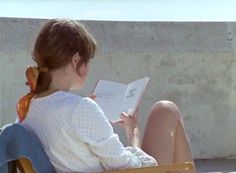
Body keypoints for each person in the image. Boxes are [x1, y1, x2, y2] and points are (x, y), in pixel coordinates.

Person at [17, 19, 196, 173]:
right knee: (165, 111)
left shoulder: (26, 109)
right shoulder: (80, 109)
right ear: (76, 60)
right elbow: (130, 168)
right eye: (88, 61)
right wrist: (133, 132)